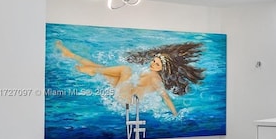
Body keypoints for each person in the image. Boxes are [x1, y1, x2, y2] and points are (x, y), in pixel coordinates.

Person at [55, 40, 205, 116]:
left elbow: (165, 97)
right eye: (154, 61)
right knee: (104, 69)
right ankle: (72, 56)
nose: (153, 64)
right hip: (125, 93)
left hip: (126, 100)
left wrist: (175, 113)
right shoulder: (148, 71)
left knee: (125, 70)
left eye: (157, 64)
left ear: (162, 68)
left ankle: (91, 70)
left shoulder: (155, 79)